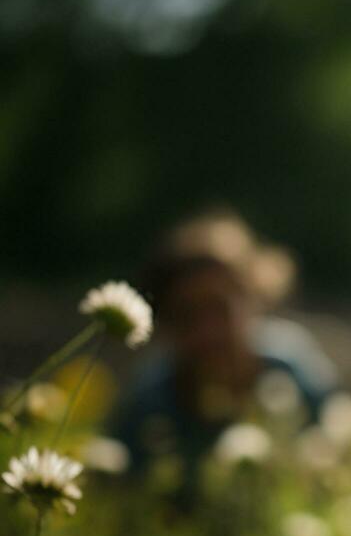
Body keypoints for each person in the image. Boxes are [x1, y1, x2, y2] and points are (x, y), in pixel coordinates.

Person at [105, 209, 338, 507]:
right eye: (187, 316)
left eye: (220, 309)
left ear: (253, 299)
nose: (208, 332)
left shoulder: (294, 369)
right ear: (163, 323)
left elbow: (337, 449)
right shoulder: (148, 403)